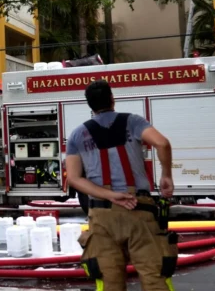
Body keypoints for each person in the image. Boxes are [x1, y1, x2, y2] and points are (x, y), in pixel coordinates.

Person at [66, 80, 177, 291]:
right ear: (112, 99)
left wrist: (109, 195)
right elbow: (162, 143)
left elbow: (74, 178)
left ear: (90, 105)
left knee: (109, 283)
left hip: (102, 216)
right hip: (139, 210)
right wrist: (166, 176)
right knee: (156, 278)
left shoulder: (77, 135)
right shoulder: (133, 122)